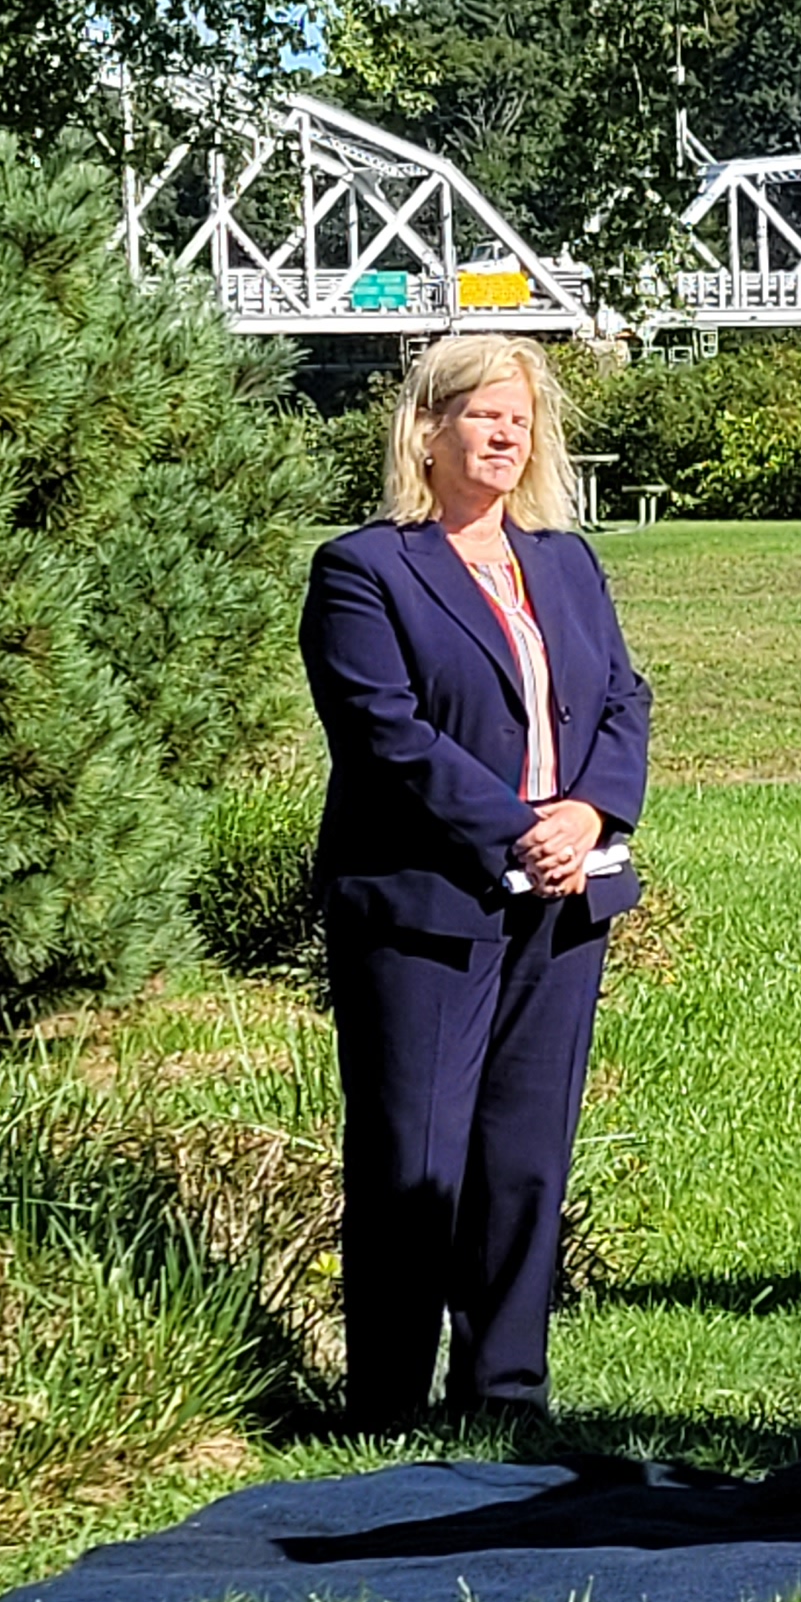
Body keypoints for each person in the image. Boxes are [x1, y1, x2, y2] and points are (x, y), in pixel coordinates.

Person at [302, 333, 651, 1431]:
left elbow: (622, 703)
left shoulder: (567, 562)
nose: (506, 434)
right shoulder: (364, 569)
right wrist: (517, 828)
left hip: (565, 900)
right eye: (483, 414)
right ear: (428, 430)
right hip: (424, 906)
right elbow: (385, 736)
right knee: (414, 1159)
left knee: (524, 1158)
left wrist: (589, 814)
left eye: (521, 417)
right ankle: (390, 1401)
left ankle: (504, 1391)